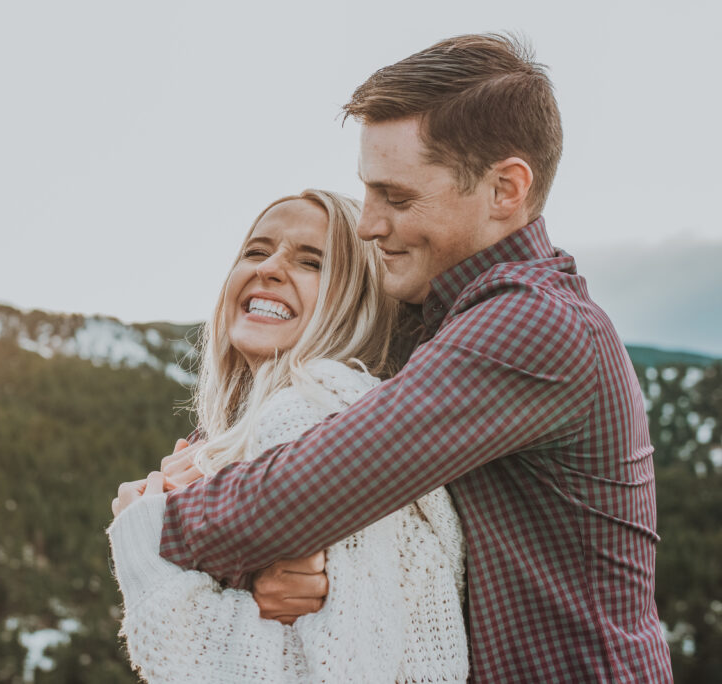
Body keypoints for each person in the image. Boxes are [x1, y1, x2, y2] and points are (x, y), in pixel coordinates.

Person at [152, 35, 673, 682]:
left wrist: (152, 521)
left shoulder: (534, 325)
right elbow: (293, 457)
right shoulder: (427, 316)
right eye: (368, 192)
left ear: (505, 188)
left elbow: (307, 487)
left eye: (397, 198)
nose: (369, 224)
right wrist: (274, 557)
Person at [108, 189, 469, 682]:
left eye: (311, 262)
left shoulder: (312, 414)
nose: (269, 268)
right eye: (256, 251)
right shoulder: (276, 424)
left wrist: (143, 546)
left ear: (356, 301)